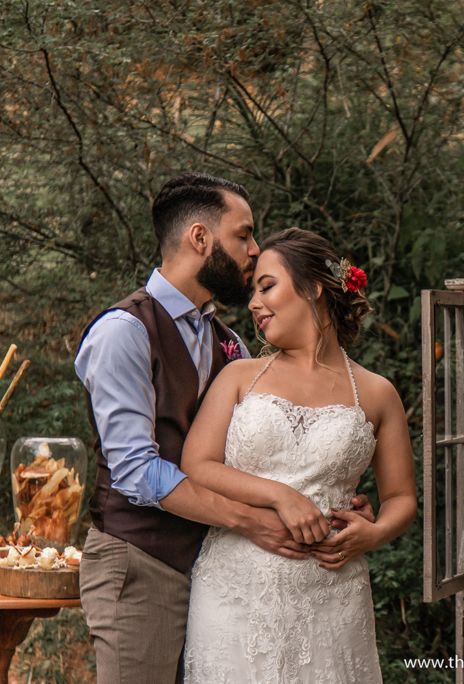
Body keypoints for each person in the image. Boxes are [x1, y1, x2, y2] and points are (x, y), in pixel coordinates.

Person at [75, 174, 373, 684]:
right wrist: (252, 519)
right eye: (244, 235)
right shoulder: (123, 332)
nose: (254, 251)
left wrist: (330, 498)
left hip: (219, 573)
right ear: (199, 238)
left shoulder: (229, 342)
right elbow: (135, 471)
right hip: (140, 562)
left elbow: (255, 451)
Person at [180, 227, 417, 683]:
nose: (253, 303)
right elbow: (197, 465)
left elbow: (402, 497)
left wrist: (375, 533)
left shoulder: (377, 393)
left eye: (266, 286)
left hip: (332, 590)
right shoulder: (239, 376)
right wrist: (278, 495)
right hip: (235, 591)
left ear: (314, 288)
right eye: (253, 291)